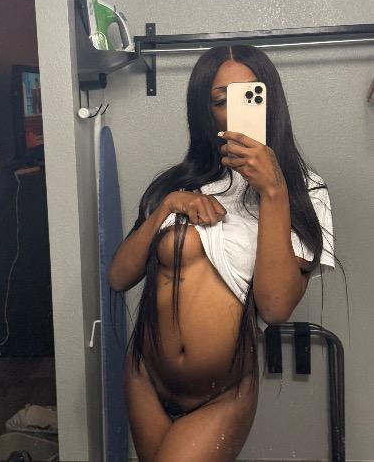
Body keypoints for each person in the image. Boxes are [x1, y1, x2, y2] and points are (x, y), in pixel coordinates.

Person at [109, 44, 336, 462]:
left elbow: (275, 308)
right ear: (205, 112)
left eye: (249, 96)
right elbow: (119, 277)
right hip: (145, 378)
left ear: (270, 102)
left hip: (222, 394)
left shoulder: (306, 192)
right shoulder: (178, 183)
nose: (234, 112)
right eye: (220, 101)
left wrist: (273, 190)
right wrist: (166, 206)